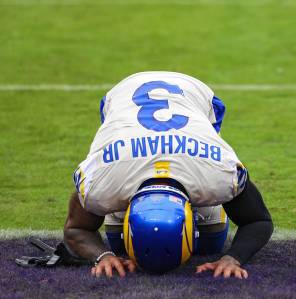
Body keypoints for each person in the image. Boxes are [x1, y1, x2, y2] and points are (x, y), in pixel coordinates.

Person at [64, 71, 273, 278]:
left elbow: (258, 221)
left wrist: (232, 258)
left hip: (194, 95)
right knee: (118, 241)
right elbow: (77, 229)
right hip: (121, 99)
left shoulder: (216, 172)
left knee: (211, 239)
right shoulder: (104, 181)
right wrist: (104, 255)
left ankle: (135, 214)